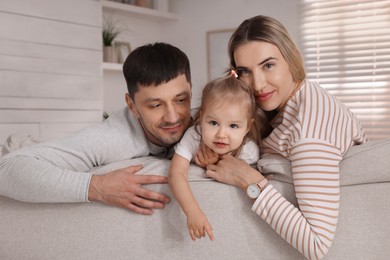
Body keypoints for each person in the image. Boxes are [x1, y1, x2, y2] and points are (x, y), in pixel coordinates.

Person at [203, 15, 367, 259]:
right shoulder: (288, 103)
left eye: (268, 65)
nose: (257, 84)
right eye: (245, 71)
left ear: (291, 59)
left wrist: (249, 180)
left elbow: (316, 244)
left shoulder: (309, 133)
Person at [0, 42, 192, 215]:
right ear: (132, 105)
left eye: (181, 100)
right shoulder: (113, 138)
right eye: (155, 105)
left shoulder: (205, 121)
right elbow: (6, 169)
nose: (173, 117)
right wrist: (97, 186)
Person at [168, 73, 261, 241]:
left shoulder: (249, 150)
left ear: (247, 127)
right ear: (202, 118)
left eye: (233, 125)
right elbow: (176, 173)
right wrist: (193, 211)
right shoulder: (194, 136)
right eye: (213, 123)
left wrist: (217, 161)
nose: (221, 134)